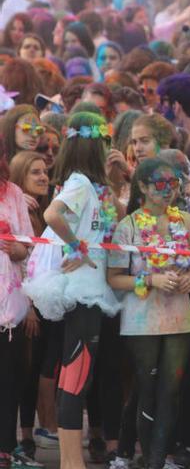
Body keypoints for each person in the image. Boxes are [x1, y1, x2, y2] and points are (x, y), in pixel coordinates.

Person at [23, 112, 122, 469]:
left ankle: (70, 459)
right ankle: (70, 462)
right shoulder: (79, 183)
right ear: (94, 145)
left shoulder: (90, 186)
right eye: (105, 142)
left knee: (75, 374)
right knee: (76, 374)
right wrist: (76, 246)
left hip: (87, 292)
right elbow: (52, 215)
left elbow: (109, 221)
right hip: (82, 293)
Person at [106, 157, 190, 469]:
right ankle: (148, 458)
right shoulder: (128, 226)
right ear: (144, 187)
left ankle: (158, 459)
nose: (168, 190)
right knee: (146, 387)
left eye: (173, 183)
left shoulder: (185, 222)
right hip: (141, 319)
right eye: (160, 184)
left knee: (171, 389)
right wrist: (150, 279)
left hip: (178, 315)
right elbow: (114, 277)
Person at [0, 142, 37, 469]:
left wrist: (20, 252)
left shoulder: (13, 194)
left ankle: (6, 448)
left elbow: (29, 242)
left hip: (9, 306)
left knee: (10, 379)